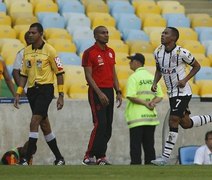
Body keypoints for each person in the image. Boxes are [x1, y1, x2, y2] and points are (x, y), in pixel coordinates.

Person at [150, 27, 212, 166]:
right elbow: (159, 69)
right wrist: (155, 82)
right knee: (185, 123)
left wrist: (185, 80)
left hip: (183, 92)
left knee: (173, 120)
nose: (162, 35)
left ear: (173, 38)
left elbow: (197, 66)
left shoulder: (182, 53)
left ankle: (165, 158)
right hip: (172, 93)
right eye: (162, 33)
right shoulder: (158, 52)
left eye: (166, 33)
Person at [14, 23, 65, 165]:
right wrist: (18, 92)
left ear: (40, 34)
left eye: (33, 33)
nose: (30, 35)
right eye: (29, 32)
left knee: (34, 121)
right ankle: (59, 158)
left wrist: (61, 95)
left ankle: (26, 158)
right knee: (44, 125)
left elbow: (60, 73)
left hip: (45, 90)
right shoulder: (26, 51)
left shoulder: (51, 50)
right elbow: (23, 74)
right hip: (32, 91)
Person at [81, 25, 122, 165]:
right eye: (103, 33)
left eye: (107, 32)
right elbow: (88, 76)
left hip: (109, 91)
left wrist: (118, 91)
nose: (106, 35)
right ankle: (88, 155)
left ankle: (101, 156)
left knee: (108, 126)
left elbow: (113, 73)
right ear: (96, 36)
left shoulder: (111, 52)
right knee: (100, 124)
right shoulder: (89, 52)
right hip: (96, 91)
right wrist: (99, 93)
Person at [125, 53, 163, 165]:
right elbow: (160, 95)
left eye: (131, 61)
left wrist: (145, 103)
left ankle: (136, 168)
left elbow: (131, 96)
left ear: (137, 62)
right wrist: (151, 102)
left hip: (136, 118)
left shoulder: (133, 77)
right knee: (149, 146)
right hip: (150, 118)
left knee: (135, 147)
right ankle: (150, 169)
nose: (129, 63)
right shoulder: (152, 77)